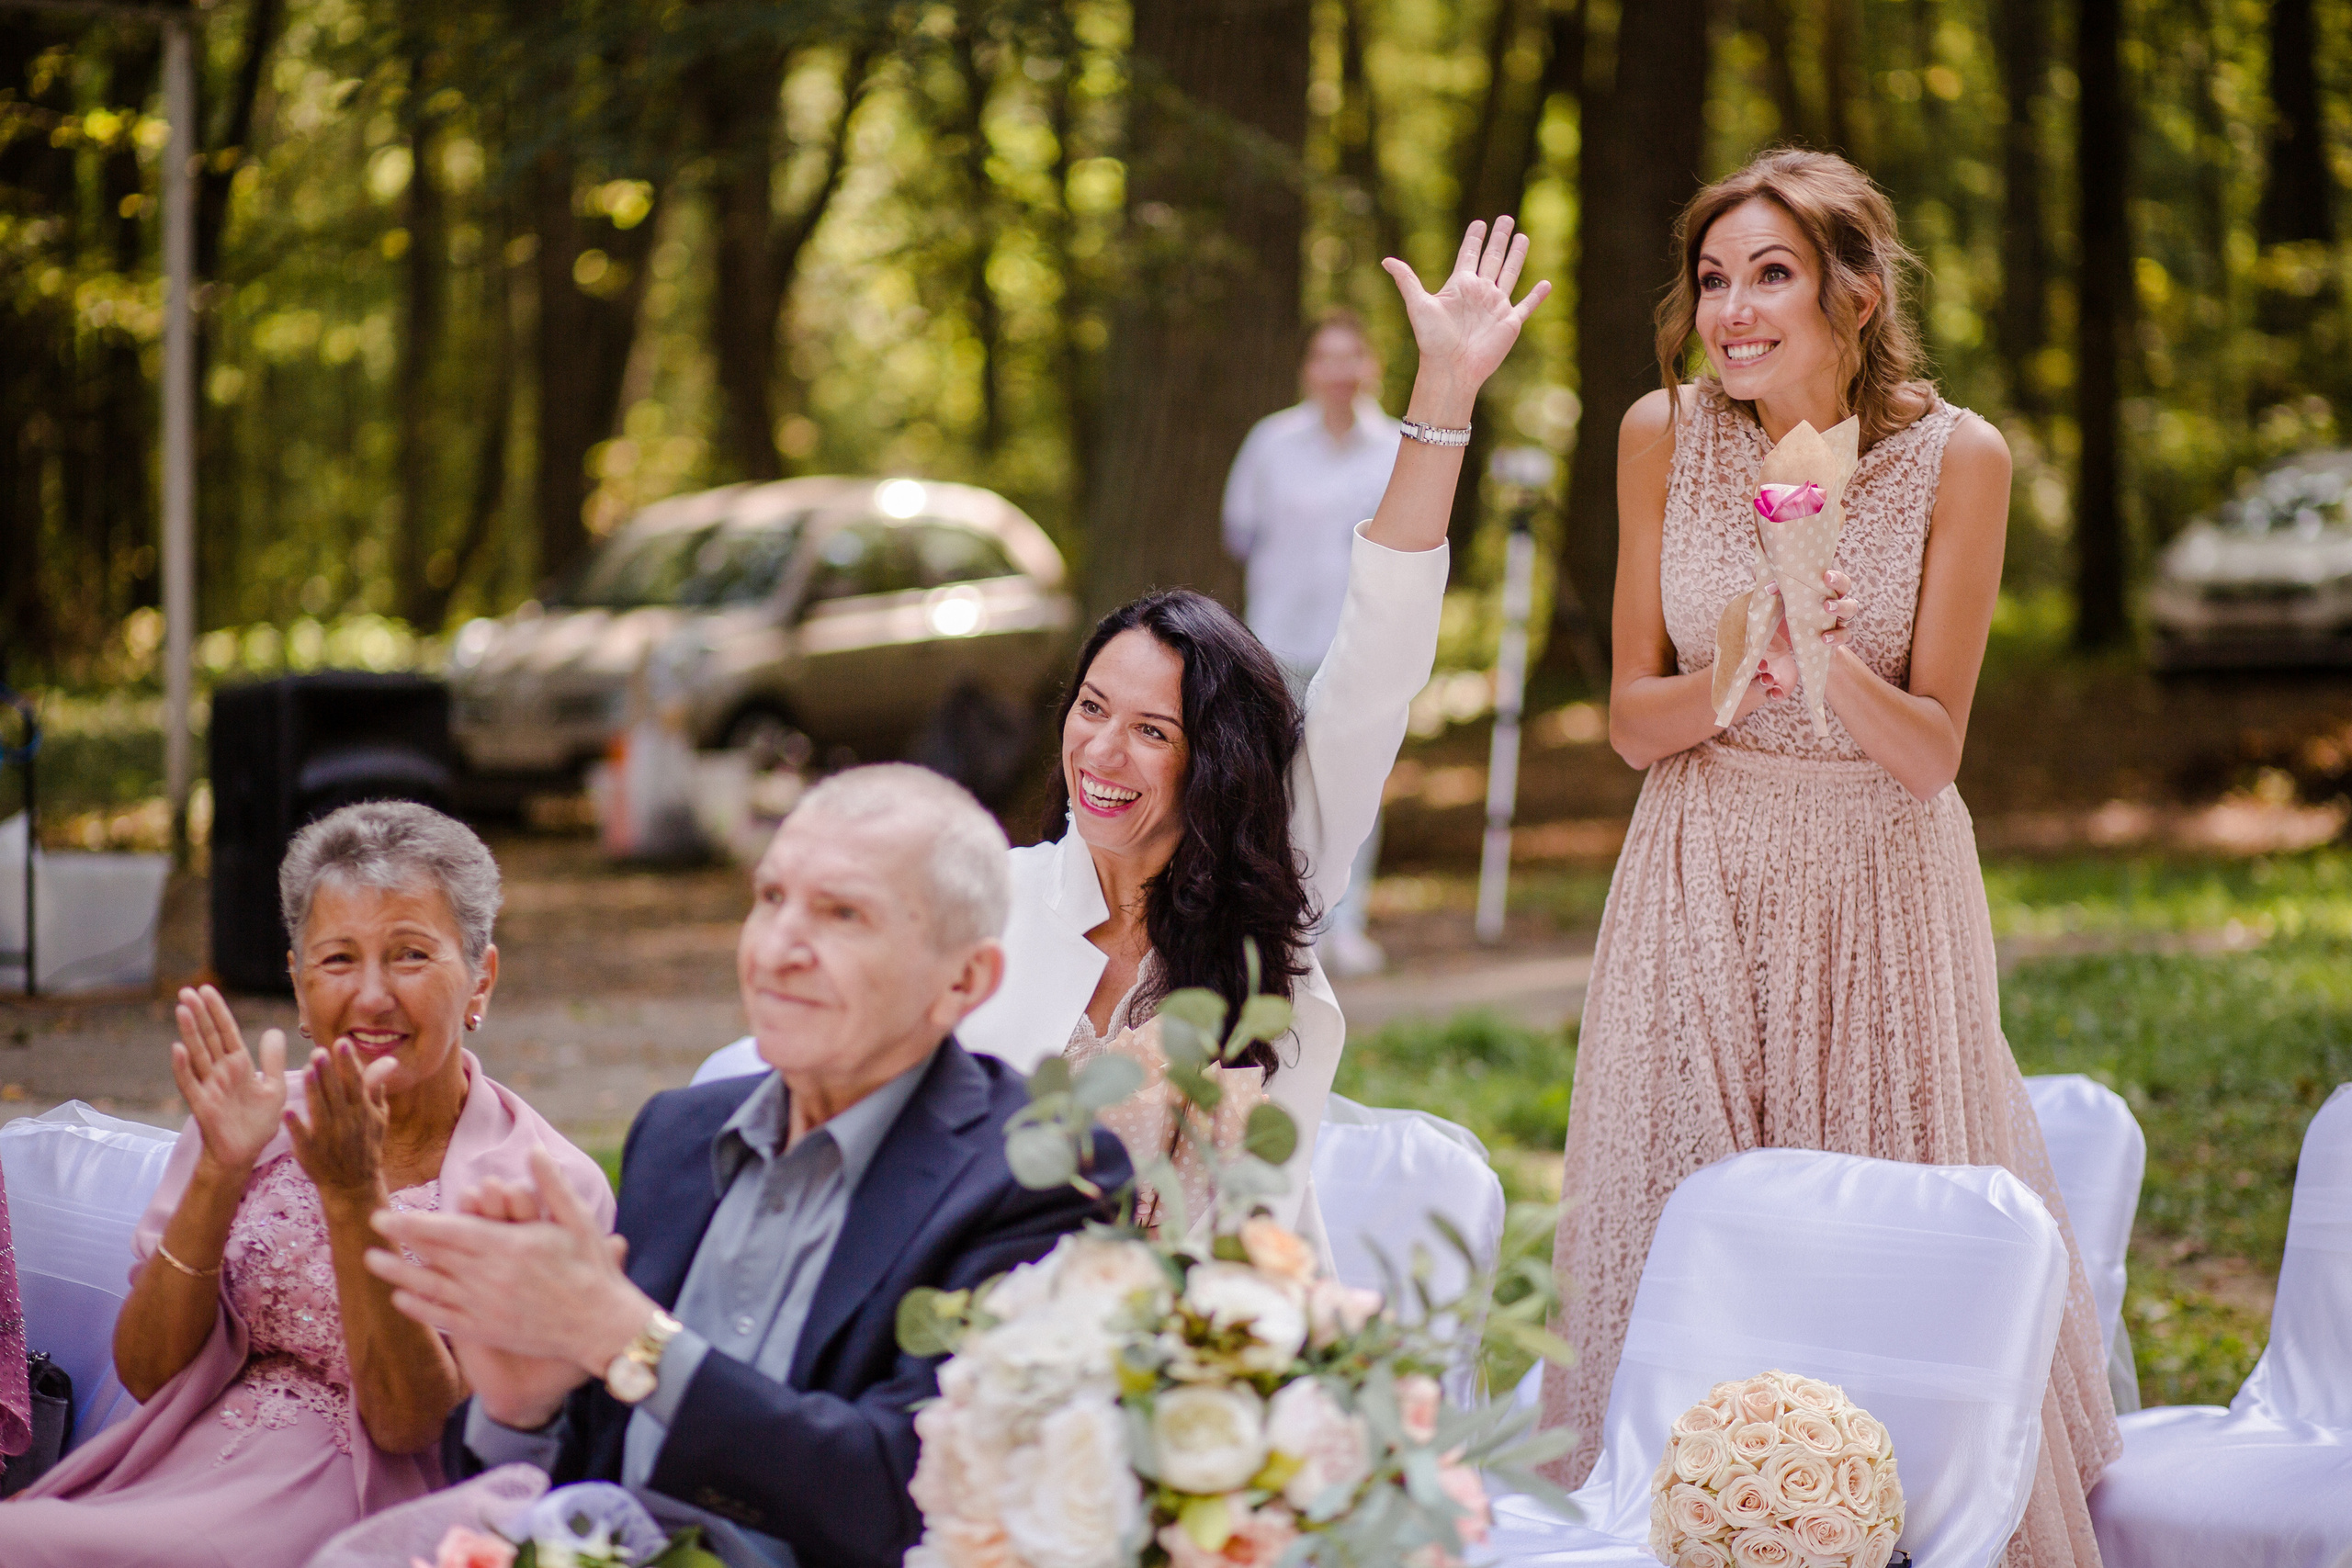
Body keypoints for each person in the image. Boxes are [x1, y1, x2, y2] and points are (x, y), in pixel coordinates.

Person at [698, 219, 1549, 1248]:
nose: (1101, 751)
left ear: (1217, 761)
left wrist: (1443, 394)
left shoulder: (1282, 879)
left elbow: (1376, 660)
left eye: (1153, 730)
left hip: (1228, 1349)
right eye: (1092, 708)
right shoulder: (990, 905)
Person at [1537, 149, 2119, 1566]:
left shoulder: (1957, 456)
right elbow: (1629, 719)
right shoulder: (1660, 435)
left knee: (1875, 1244)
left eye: (1772, 274)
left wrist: (1825, 647)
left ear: (1856, 294)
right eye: (1714, 278)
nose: (1732, 310)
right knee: (1682, 1221)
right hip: (1699, 862)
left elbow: (1933, 750)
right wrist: (1735, 659)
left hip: (1881, 878)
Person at [369, 765, 1130, 1568]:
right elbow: (576, 1482)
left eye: (843, 913)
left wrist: (628, 1338)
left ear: (963, 981)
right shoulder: (678, 1135)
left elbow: (902, 1493)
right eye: (771, 899)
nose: (778, 948)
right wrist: (524, 1407)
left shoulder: (1035, 1174)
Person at [1, 801, 612, 1568]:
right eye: (337, 960)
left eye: (412, 955)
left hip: (371, 1510)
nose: (372, 995)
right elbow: (149, 1371)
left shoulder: (545, 1184)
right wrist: (219, 1173)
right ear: (298, 984)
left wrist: (354, 1199)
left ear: (480, 979)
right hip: (179, 1469)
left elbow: (413, 1426)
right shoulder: (249, 1118)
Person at [1222, 308, 1404, 976]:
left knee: (1353, 782)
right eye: (1325, 357)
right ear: (1308, 368)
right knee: (1273, 783)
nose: (1338, 372)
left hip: (1355, 645)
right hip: (1274, 641)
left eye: (1350, 357)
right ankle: (1276, 923)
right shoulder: (1270, 444)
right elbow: (1239, 529)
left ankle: (1343, 923)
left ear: (1370, 366)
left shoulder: (1394, 449)